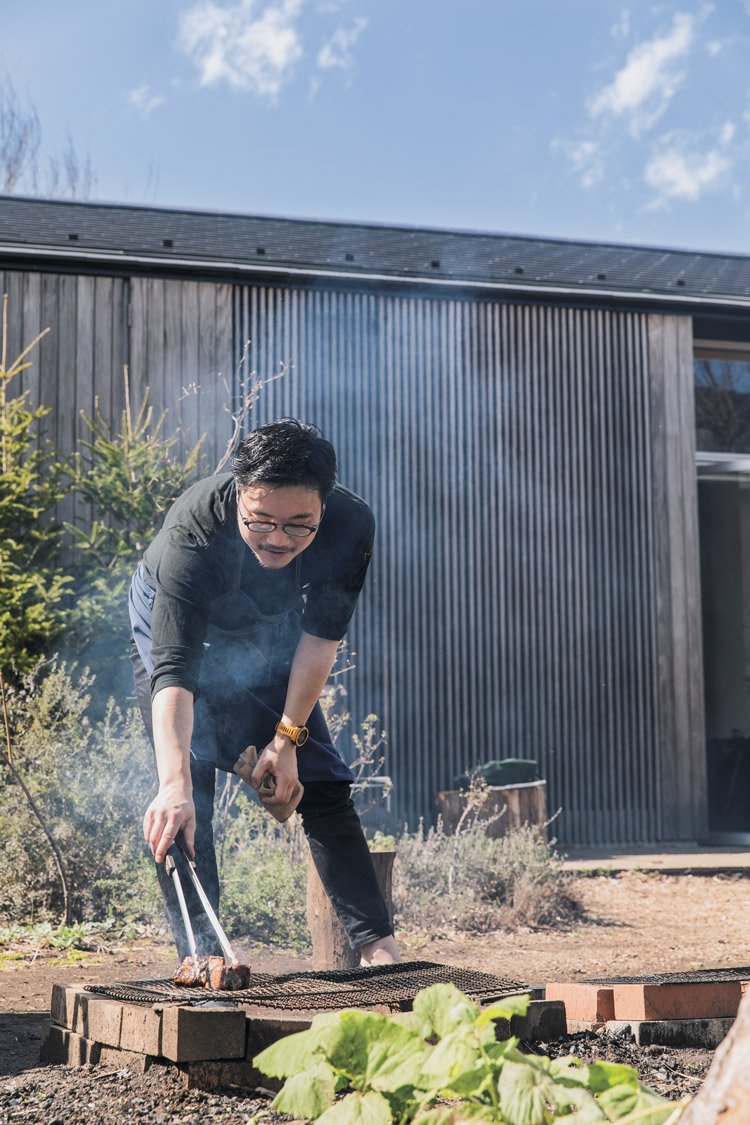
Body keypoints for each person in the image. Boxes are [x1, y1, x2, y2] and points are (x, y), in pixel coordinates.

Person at [128, 418, 400, 966]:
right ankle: (201, 957)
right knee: (185, 795)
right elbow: (175, 667)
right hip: (178, 636)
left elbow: (321, 638)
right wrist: (173, 782)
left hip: (269, 628)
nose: (279, 539)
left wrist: (287, 739)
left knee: (320, 781)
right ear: (238, 496)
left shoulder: (351, 525)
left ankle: (380, 948)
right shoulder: (195, 535)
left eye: (301, 525)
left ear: (324, 506)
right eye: (262, 521)